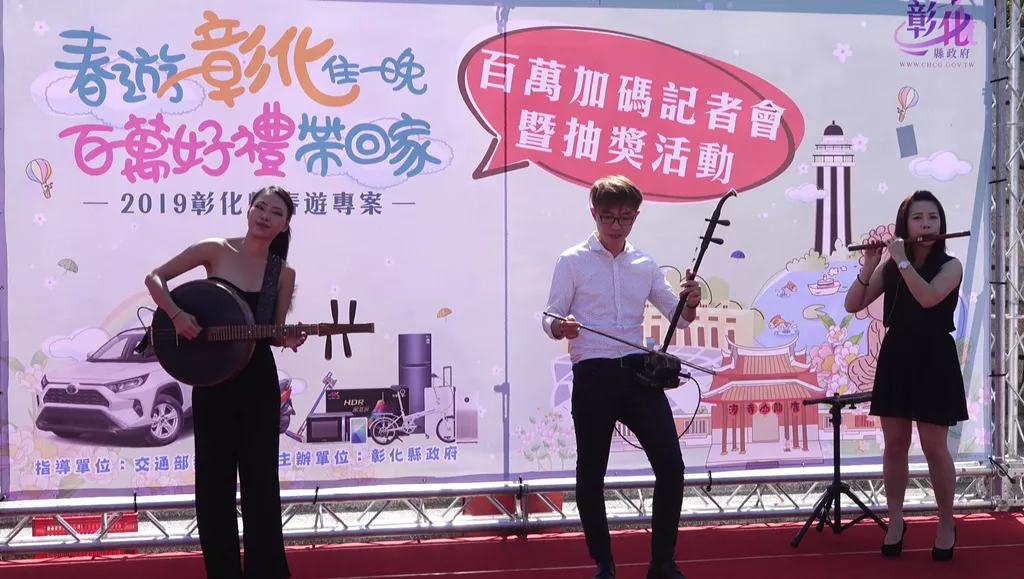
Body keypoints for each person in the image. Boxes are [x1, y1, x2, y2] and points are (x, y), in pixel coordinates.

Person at [542, 175, 701, 579]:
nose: (616, 226)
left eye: (625, 218)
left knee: (671, 465)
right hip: (593, 372)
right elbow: (550, 316)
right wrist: (561, 327)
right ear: (593, 213)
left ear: (636, 216)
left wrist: (691, 301)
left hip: (637, 373)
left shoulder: (644, 264)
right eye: (608, 217)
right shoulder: (572, 260)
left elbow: (679, 318)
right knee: (591, 473)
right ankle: (604, 563)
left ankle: (662, 562)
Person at [144, 185, 306, 579]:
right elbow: (155, 279)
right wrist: (177, 314)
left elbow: (271, 332)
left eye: (276, 213)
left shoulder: (282, 272)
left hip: (258, 383)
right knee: (214, 486)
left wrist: (288, 338)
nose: (265, 216)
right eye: (260, 207)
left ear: (285, 225)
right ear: (248, 210)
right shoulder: (214, 249)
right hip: (213, 381)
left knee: (261, 485)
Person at [843, 190, 967, 562]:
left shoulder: (951, 265)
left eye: (933, 217)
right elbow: (853, 304)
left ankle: (946, 522)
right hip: (897, 353)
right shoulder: (891, 266)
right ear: (905, 225)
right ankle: (895, 520)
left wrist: (900, 260)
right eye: (918, 218)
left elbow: (928, 298)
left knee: (934, 447)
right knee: (895, 444)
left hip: (934, 356)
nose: (926, 224)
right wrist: (870, 265)